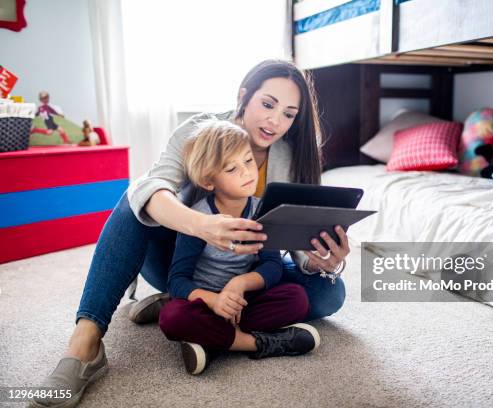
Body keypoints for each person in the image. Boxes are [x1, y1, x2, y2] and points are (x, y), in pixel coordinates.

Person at [32, 60, 349, 408]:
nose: (275, 122)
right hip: (181, 260)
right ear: (245, 95)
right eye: (268, 104)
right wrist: (202, 226)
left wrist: (319, 259)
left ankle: (196, 315)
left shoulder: (293, 152)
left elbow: (292, 242)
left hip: (246, 272)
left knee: (327, 294)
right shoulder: (200, 131)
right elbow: (152, 188)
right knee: (135, 196)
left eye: (289, 114)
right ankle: (86, 343)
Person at [159, 120, 320, 375]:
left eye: (248, 161)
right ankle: (256, 342)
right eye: (232, 168)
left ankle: (212, 344)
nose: (247, 172)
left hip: (244, 302)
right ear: (209, 181)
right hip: (207, 302)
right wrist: (215, 300)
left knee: (297, 298)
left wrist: (240, 284)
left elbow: (272, 265)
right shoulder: (199, 219)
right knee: (172, 317)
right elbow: (177, 281)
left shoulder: (262, 211)